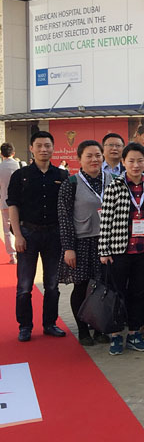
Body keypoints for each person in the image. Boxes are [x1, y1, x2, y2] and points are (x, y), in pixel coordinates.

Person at [98, 142, 144, 355]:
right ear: (123, 162)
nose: (136, 165)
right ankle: (115, 335)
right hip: (119, 251)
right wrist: (104, 250)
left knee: (139, 293)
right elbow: (105, 221)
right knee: (117, 294)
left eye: (140, 161)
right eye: (131, 161)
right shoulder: (114, 186)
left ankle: (134, 333)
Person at [8, 131, 69, 342]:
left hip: (54, 234)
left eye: (47, 145)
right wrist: (17, 235)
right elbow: (13, 206)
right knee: (24, 286)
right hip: (28, 233)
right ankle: (25, 326)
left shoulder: (62, 176)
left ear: (53, 148)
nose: (44, 149)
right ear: (31, 149)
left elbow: (67, 208)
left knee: (52, 284)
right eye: (39, 146)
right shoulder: (20, 175)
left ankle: (50, 324)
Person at [57, 140, 111, 346]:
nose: (94, 159)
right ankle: (83, 330)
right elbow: (64, 218)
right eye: (89, 156)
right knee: (81, 287)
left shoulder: (113, 180)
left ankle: (99, 328)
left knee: (103, 287)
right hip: (82, 243)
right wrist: (68, 248)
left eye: (98, 155)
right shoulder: (71, 183)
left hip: (107, 243)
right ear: (79, 159)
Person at [0, 142, 20, 264]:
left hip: (4, 201)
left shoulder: (0, 167)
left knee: (7, 229)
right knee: (20, 227)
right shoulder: (19, 165)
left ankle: (12, 255)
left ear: (1, 154)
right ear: (13, 153)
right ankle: (21, 250)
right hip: (18, 202)